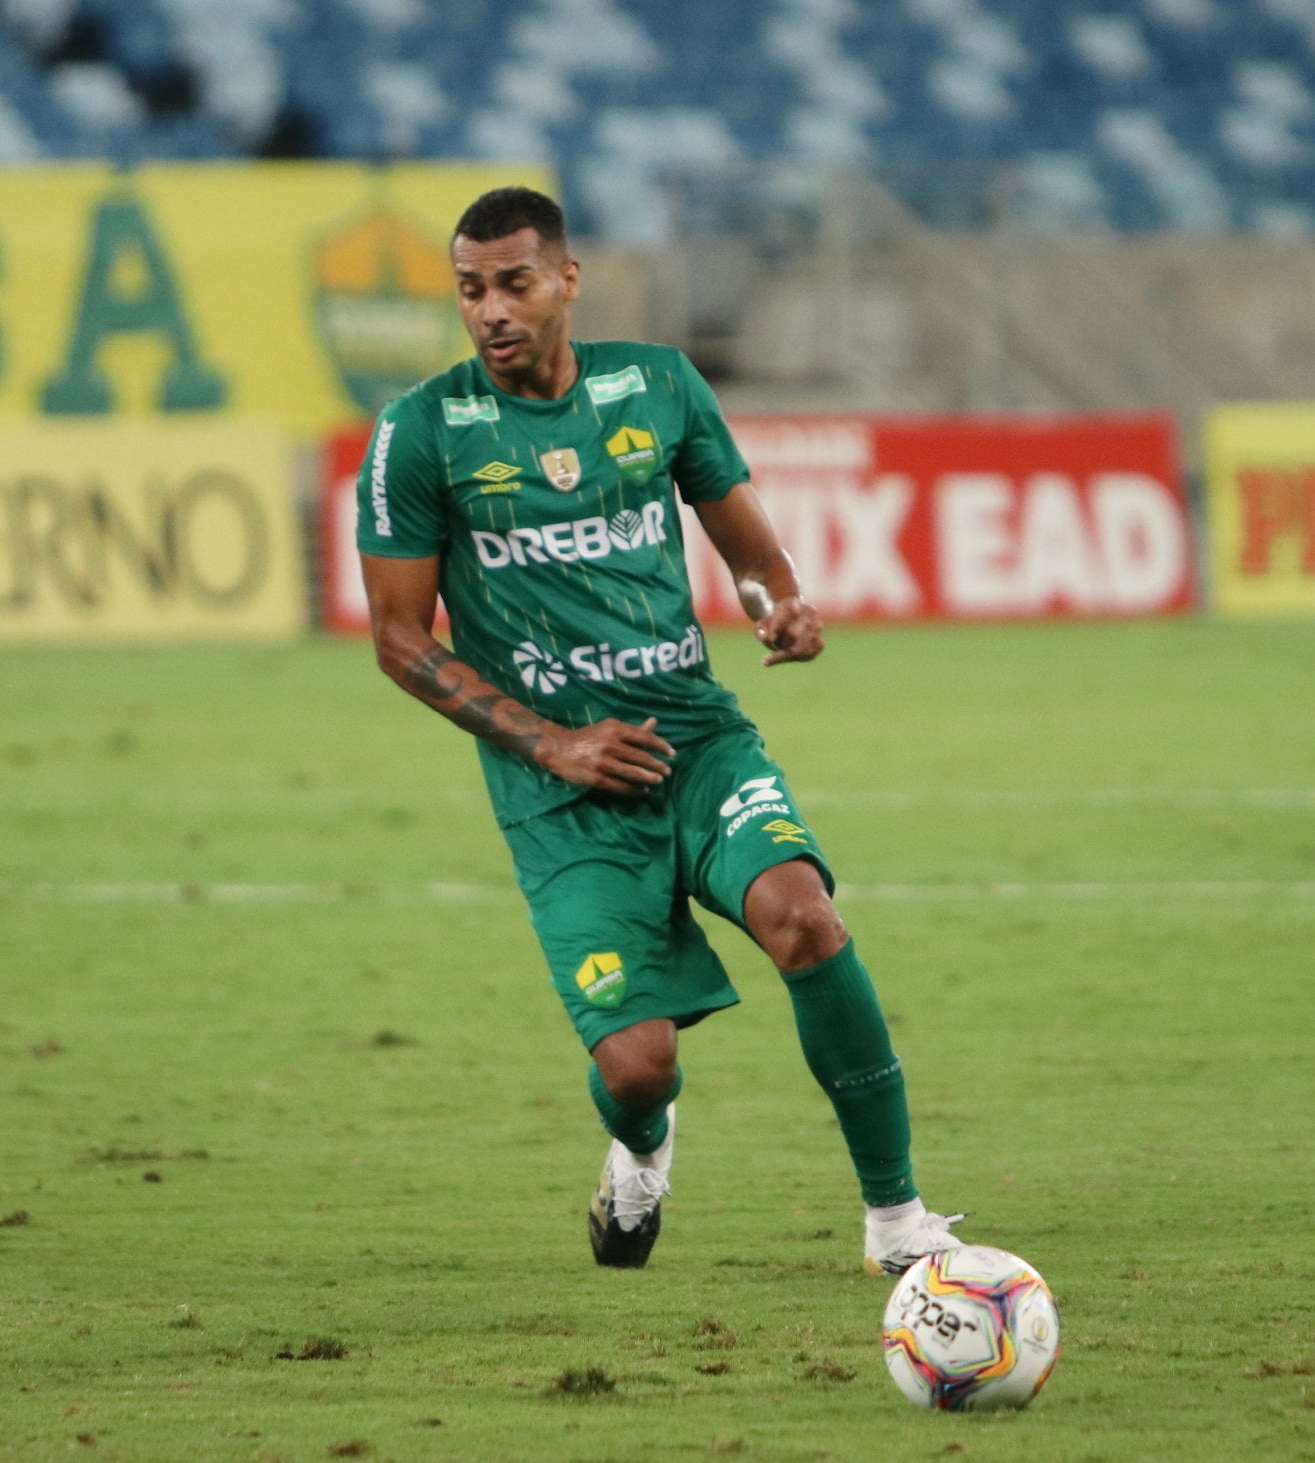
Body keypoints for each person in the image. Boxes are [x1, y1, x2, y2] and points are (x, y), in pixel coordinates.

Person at [356, 186, 966, 1275]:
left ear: (567, 279)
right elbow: (400, 640)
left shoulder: (660, 385)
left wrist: (774, 598)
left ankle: (896, 1222)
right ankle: (640, 1149)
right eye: (468, 289)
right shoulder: (419, 432)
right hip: (559, 791)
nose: (490, 310)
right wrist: (550, 742)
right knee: (638, 1065)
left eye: (513, 283)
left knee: (803, 917)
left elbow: (747, 548)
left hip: (693, 736)